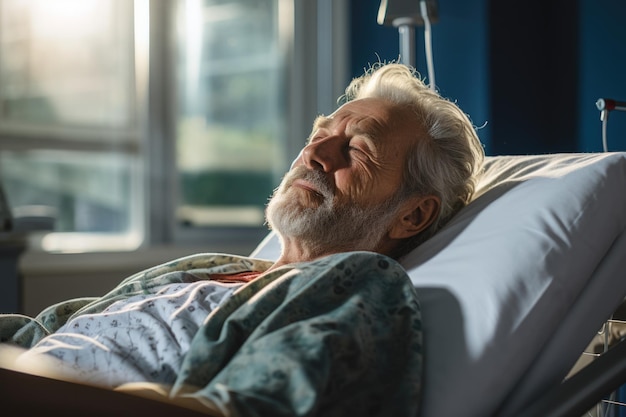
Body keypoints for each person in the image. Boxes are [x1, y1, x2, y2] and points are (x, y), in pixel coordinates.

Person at [0, 63, 484, 416]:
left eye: (357, 148)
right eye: (318, 134)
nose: (314, 153)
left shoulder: (361, 285)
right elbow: (38, 332)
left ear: (413, 215)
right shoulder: (206, 269)